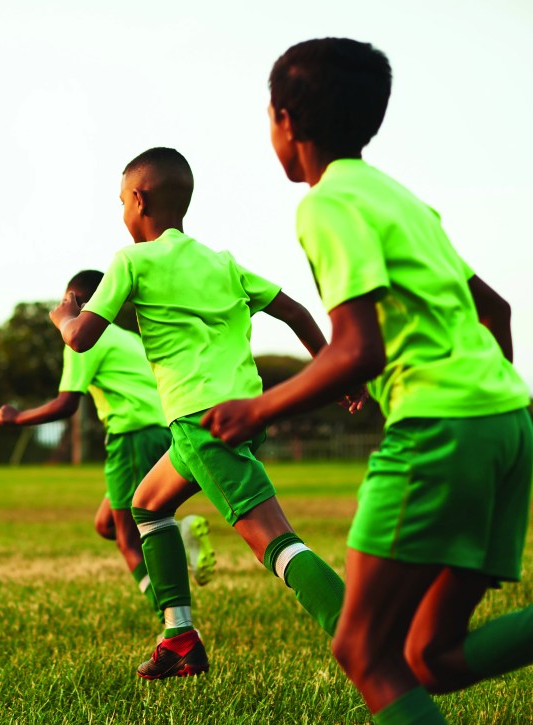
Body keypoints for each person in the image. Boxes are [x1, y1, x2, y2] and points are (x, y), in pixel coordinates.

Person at [201, 36, 533, 725]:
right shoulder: (400, 198)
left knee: (360, 649)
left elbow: (356, 350)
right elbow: (494, 307)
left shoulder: (325, 205)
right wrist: (487, 401)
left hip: (441, 429)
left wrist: (260, 408)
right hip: (505, 425)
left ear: (285, 120)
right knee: (431, 659)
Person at [50, 147, 350, 680]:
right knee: (147, 504)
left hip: (201, 421)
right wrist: (333, 365)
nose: (122, 211)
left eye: (122, 200)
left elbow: (81, 339)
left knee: (276, 541)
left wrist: (65, 315)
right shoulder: (222, 262)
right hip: (237, 416)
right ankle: (180, 637)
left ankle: (371, 643)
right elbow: (295, 311)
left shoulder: (130, 261)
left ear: (138, 200)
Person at [0, 270, 216, 637]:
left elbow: (67, 404)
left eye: (66, 300)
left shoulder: (84, 339)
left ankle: (174, 628)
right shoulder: (128, 337)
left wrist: (18, 418)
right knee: (106, 524)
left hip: (132, 437)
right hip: (163, 432)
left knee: (129, 537)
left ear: (75, 301)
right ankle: (182, 534)